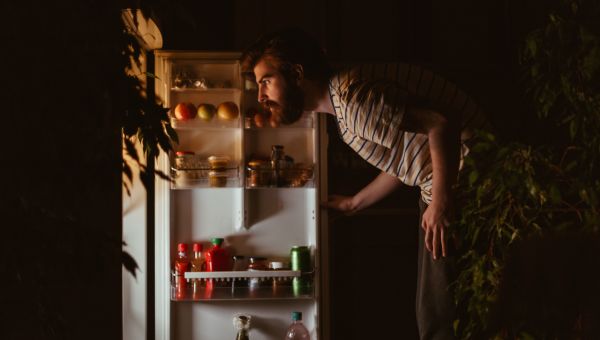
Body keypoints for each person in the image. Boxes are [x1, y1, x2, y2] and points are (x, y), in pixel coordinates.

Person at [241, 28, 489, 340]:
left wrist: (440, 202)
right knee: (438, 313)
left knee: (440, 320)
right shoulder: (346, 100)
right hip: (455, 184)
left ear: (296, 74)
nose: (261, 95)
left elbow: (440, 123)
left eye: (266, 81)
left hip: (467, 185)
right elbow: (406, 157)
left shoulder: (353, 103)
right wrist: (353, 203)